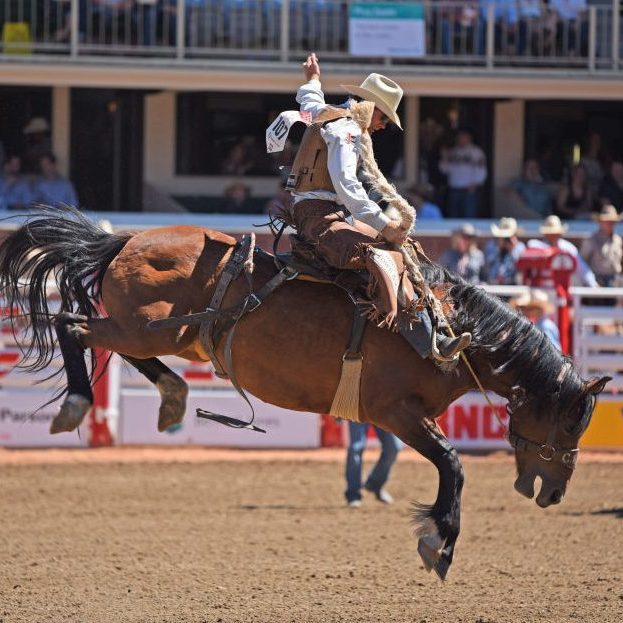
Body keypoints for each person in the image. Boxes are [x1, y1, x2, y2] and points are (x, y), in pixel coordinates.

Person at [278, 52, 470, 362]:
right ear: (370, 108)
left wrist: (313, 79)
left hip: (326, 214)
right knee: (386, 253)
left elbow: (310, 104)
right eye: (383, 118)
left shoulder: (332, 115)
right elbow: (348, 187)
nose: (381, 127)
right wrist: (385, 224)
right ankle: (428, 343)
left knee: (402, 246)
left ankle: (428, 329)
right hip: (322, 218)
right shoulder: (347, 130)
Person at [527, 214, 598, 287]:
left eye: (555, 233)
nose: (553, 236)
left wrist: (593, 284)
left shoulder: (568, 248)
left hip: (563, 289)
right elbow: (531, 245)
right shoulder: (538, 246)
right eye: (550, 233)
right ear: (545, 234)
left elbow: (582, 269)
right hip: (542, 289)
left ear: (560, 233)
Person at [345, 421, 401, 508]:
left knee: (393, 447)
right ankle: (353, 494)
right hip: (358, 409)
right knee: (355, 449)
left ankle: (374, 484)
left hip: (383, 409)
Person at [439, 128, 487, 219]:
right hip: (454, 190)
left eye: (463, 137)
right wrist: (444, 157)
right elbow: (444, 170)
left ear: (469, 138)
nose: (460, 139)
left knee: (469, 218)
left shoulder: (476, 152)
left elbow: (481, 170)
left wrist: (476, 184)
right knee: (453, 218)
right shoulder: (452, 152)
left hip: (469, 191)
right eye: (459, 137)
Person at [581, 204, 622, 287]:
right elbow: (582, 263)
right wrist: (591, 281)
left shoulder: (618, 240)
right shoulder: (591, 240)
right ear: (600, 222)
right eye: (607, 221)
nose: (610, 224)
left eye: (612, 222)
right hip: (598, 281)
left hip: (616, 281)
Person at [483, 217, 526, 285]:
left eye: (505, 237)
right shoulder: (495, 249)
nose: (500, 240)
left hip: (513, 289)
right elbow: (489, 270)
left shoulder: (520, 248)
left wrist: (512, 249)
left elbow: (520, 272)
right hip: (495, 288)